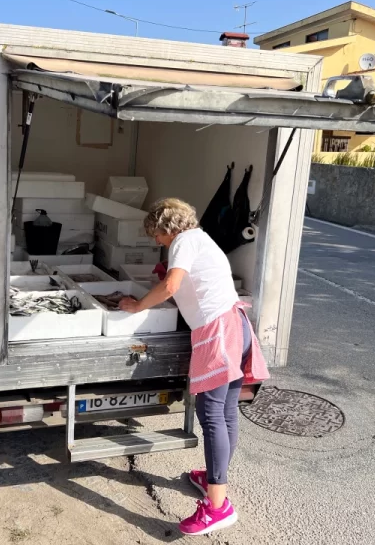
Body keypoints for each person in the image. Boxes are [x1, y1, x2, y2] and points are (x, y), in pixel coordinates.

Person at [119, 198, 270, 536]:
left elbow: (172, 285)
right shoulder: (200, 238)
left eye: (156, 234)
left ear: (166, 227)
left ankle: (218, 507)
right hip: (237, 324)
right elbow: (189, 286)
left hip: (217, 333)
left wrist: (139, 305)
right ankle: (217, 478)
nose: (156, 241)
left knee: (211, 415)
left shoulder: (183, 241)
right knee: (227, 411)